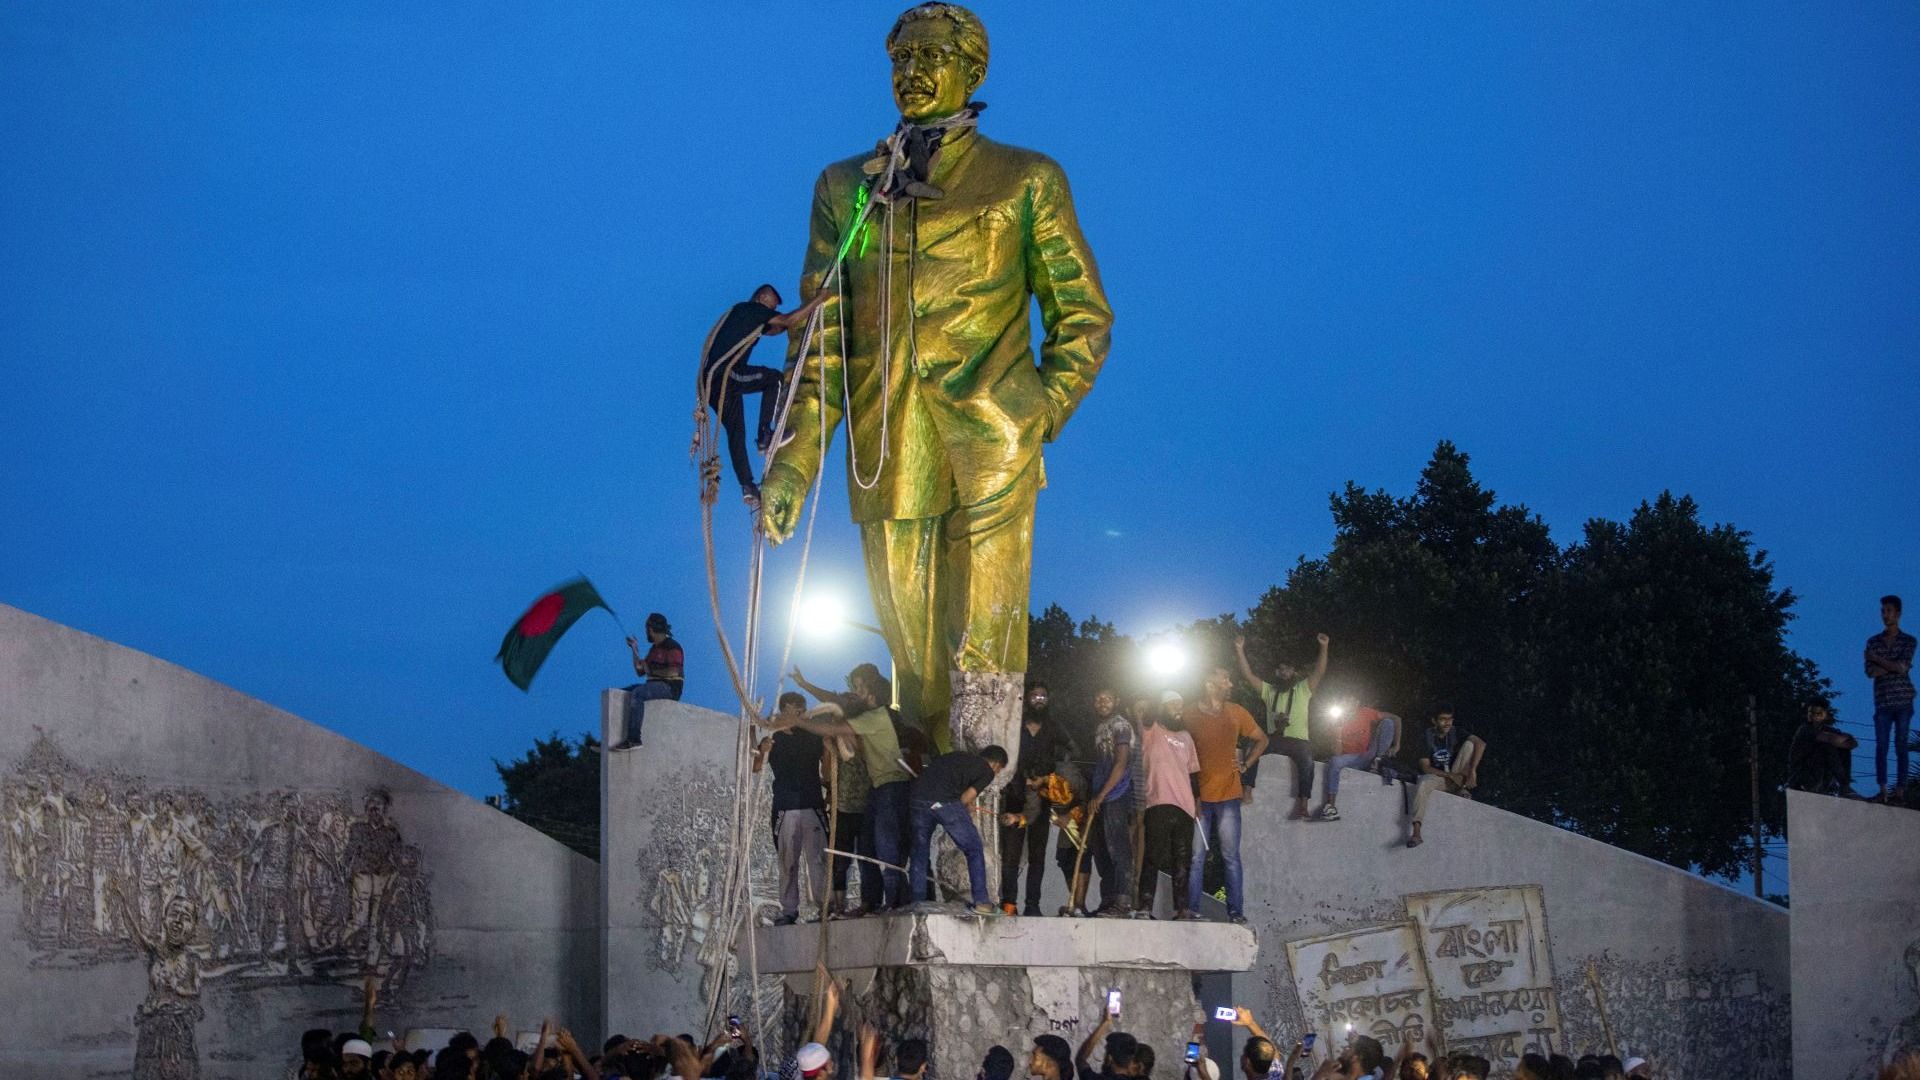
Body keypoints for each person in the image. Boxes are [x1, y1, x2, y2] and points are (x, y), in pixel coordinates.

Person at [760, 3, 1116, 816]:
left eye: (932, 56)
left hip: (992, 447)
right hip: (888, 454)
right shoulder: (846, 188)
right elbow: (820, 341)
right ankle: (921, 842)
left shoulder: (1026, 177)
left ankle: (974, 838)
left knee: (981, 654)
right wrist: (793, 463)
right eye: (901, 59)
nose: (912, 71)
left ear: (973, 71)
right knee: (915, 661)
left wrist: (1036, 412)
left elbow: (1084, 319)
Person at [779, 665, 913, 909]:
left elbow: (832, 725)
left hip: (892, 787)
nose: (855, 692)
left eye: (860, 688)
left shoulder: (876, 716)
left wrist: (797, 720)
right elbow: (834, 701)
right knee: (867, 848)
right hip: (878, 787)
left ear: (871, 694)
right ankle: (870, 902)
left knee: (886, 846)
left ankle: (897, 903)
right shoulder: (865, 713)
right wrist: (805, 684)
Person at [701, 284, 828, 507]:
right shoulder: (752, 309)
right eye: (771, 305)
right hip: (727, 375)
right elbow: (786, 321)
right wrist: (818, 300)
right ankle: (765, 436)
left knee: (736, 433)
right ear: (762, 298)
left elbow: (775, 329)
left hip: (711, 383)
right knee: (774, 379)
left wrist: (798, 318)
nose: (772, 311)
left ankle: (748, 487)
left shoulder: (743, 316)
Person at [1185, 665, 1267, 923]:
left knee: (1230, 855)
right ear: (1210, 683)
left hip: (1229, 795)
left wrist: (1245, 765)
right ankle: (1192, 910)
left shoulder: (1236, 712)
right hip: (1198, 796)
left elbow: (1262, 739)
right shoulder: (1188, 714)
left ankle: (1236, 912)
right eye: (1226, 678)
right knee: (1196, 856)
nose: (1230, 683)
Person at [753, 692, 829, 925]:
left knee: (817, 861)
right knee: (787, 861)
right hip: (784, 806)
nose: (794, 714)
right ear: (783, 710)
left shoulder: (815, 738)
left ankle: (823, 908)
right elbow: (756, 767)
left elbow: (826, 771)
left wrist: (828, 749)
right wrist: (763, 750)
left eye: (798, 710)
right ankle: (788, 910)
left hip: (812, 804)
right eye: (789, 710)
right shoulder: (772, 739)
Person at [1235, 633, 1330, 817]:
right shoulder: (1269, 690)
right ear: (1277, 673)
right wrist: (1239, 650)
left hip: (1298, 740)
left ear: (1293, 672)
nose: (1284, 673)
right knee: (1254, 746)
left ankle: (1303, 804)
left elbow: (1319, 672)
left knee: (1307, 762)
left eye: (1288, 670)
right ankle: (1247, 791)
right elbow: (1248, 675)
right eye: (1281, 670)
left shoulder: (1303, 688)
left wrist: (1324, 646)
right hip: (1274, 738)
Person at [907, 746, 1007, 913]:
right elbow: (965, 798)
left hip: (917, 799)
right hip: (944, 802)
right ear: (996, 764)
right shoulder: (986, 771)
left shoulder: (955, 757)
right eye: (999, 770)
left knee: (919, 852)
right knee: (974, 848)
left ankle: (918, 902)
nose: (996, 774)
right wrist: (963, 811)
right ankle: (982, 902)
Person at [1000, 683, 1070, 915]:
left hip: (1041, 797)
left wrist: (1049, 775)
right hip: (1014, 793)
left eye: (1043, 696)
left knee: (1037, 855)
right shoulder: (1015, 724)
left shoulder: (1053, 726)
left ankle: (1032, 906)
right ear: (1026, 699)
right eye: (1035, 696)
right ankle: (1009, 903)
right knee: (1011, 853)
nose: (1039, 700)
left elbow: (1073, 751)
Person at [1137, 690, 1200, 919]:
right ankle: (1144, 906)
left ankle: (1182, 908)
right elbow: (1144, 713)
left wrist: (1197, 803)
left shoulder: (1186, 737)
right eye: (1173, 705)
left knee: (1182, 859)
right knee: (1153, 855)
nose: (1179, 709)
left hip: (1185, 806)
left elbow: (1193, 774)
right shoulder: (1151, 730)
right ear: (1163, 708)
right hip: (1158, 801)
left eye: (1181, 705)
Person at [1400, 705, 1486, 849]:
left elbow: (1481, 744)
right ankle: (1416, 832)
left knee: (1471, 745)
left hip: (1459, 776)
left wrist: (1472, 772)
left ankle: (1462, 788)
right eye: (1443, 719)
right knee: (1423, 782)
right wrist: (1450, 775)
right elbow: (1425, 767)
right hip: (1440, 778)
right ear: (1434, 721)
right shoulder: (1426, 737)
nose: (1447, 723)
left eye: (1450, 719)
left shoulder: (1456, 732)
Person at [1086, 689, 1136, 917]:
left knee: (1119, 848)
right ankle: (1108, 901)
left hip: (1117, 793)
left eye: (1107, 697)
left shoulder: (1121, 725)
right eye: (1098, 698)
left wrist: (1102, 794)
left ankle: (1123, 902)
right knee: (1102, 850)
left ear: (1117, 700)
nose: (1102, 701)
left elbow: (1121, 763)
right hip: (1101, 795)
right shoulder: (1098, 728)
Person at [1866, 595, 1916, 798]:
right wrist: (1893, 667)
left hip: (1903, 700)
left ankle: (1901, 789)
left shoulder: (1908, 641)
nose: (1885, 615)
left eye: (1889, 611)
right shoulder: (1874, 641)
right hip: (1883, 700)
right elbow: (1871, 672)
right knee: (1882, 745)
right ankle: (1883, 789)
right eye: (1883, 611)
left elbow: (1902, 667)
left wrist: (1878, 660)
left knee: (1901, 745)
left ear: (1898, 613)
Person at [612, 613, 684, 752]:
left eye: (647, 629)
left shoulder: (672, 646)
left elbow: (674, 672)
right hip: (653, 685)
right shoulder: (654, 649)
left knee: (638, 693)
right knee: (621, 693)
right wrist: (634, 649)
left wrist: (651, 671)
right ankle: (613, 738)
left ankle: (634, 740)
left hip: (670, 688)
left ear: (651, 629)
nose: (646, 633)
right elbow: (640, 670)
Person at [1317, 702, 1400, 820]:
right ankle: (1331, 806)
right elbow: (1337, 753)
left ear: (1356, 704)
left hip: (1367, 755)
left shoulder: (1365, 712)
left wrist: (1397, 745)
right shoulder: (1336, 721)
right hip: (1350, 759)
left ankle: (1378, 761)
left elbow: (1397, 718)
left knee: (1388, 722)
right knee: (1335, 761)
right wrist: (1338, 730)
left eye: (1352, 702)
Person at [1788, 700, 1859, 796]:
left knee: (1843, 750)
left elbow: (1853, 743)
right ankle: (1842, 785)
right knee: (1827, 746)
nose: (1814, 715)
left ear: (1824, 714)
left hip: (1821, 774)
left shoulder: (1828, 729)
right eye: (1811, 713)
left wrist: (1841, 741)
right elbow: (1828, 738)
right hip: (1803, 774)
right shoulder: (1805, 729)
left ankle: (1844, 787)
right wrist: (1840, 740)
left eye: (1818, 713)